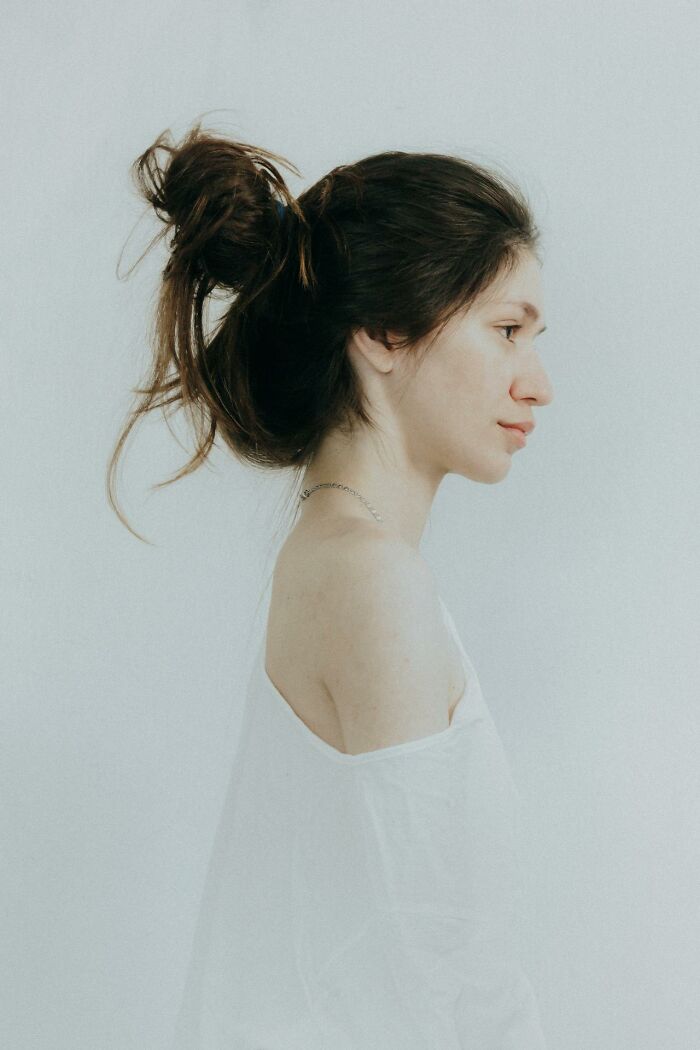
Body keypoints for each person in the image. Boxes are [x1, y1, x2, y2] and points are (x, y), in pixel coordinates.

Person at [107, 119, 554, 1048]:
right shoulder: (369, 576)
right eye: (507, 330)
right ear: (388, 330)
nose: (537, 382)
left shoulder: (343, 553)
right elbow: (442, 987)